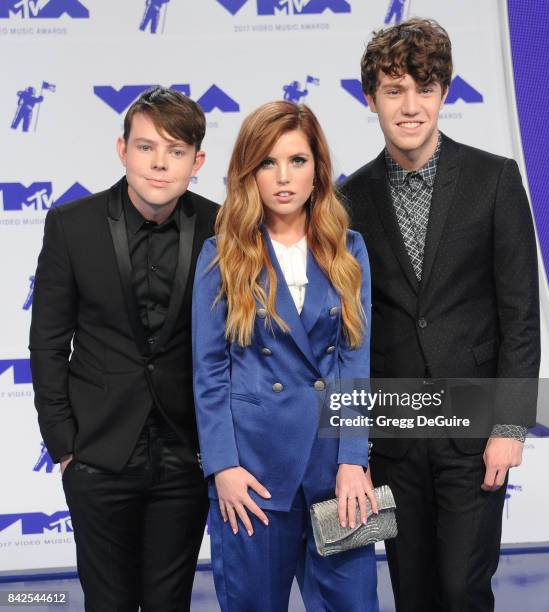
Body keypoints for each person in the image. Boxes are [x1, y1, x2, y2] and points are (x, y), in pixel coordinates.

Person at [339, 19, 540, 612]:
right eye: (395, 90)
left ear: (444, 93)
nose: (410, 106)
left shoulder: (495, 179)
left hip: (475, 435)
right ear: (371, 96)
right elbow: (352, 330)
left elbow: (520, 314)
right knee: (413, 592)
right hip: (394, 439)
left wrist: (509, 426)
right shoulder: (350, 199)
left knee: (462, 589)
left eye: (424, 89)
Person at [29, 87, 218, 611]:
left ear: (196, 161)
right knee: (107, 602)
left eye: (176, 151)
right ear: (122, 150)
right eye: (146, 147)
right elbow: (46, 343)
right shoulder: (72, 225)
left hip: (185, 452)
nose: (159, 164)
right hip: (98, 454)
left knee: (168, 601)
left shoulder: (222, 226)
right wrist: (66, 447)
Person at [192, 100, 379, 612]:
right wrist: (222, 466)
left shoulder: (349, 248)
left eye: (297, 160)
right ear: (248, 173)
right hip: (251, 474)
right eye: (268, 163)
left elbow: (353, 365)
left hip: (334, 471)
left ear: (318, 169)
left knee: (355, 605)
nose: (283, 177)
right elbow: (210, 372)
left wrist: (352, 460)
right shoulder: (221, 253)